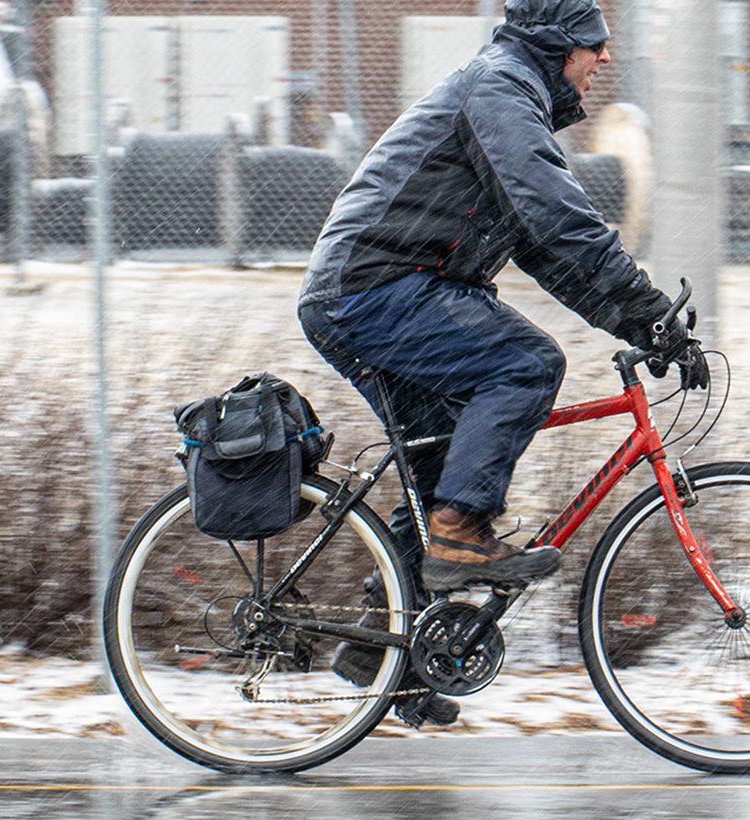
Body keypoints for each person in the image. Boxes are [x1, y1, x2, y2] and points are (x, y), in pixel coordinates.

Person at [297, 0, 706, 722]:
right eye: (593, 43)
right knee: (523, 364)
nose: (604, 58)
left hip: (382, 289)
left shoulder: (509, 93)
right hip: (372, 290)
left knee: (442, 467)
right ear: (555, 44)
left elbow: (550, 253)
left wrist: (643, 328)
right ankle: (457, 539)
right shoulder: (500, 89)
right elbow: (556, 214)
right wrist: (646, 307)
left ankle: (392, 652)